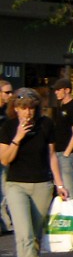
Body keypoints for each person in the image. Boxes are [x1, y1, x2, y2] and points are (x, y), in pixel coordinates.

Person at [0, 88, 70, 257]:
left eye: (30, 108)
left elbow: (51, 156)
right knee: (24, 235)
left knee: (36, 237)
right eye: (22, 108)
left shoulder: (46, 125)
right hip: (15, 185)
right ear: (15, 108)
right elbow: (4, 159)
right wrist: (18, 138)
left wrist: (60, 184)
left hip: (41, 185)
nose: (27, 113)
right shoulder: (8, 127)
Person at [52, 78, 73, 202]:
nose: (56, 92)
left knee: (70, 188)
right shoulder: (60, 107)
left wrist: (66, 153)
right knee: (60, 188)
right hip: (57, 152)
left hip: (67, 155)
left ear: (67, 90)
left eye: (59, 90)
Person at [0, 80, 13, 234]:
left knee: (4, 190)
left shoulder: (7, 112)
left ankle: (5, 223)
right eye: (7, 92)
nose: (10, 95)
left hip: (5, 155)